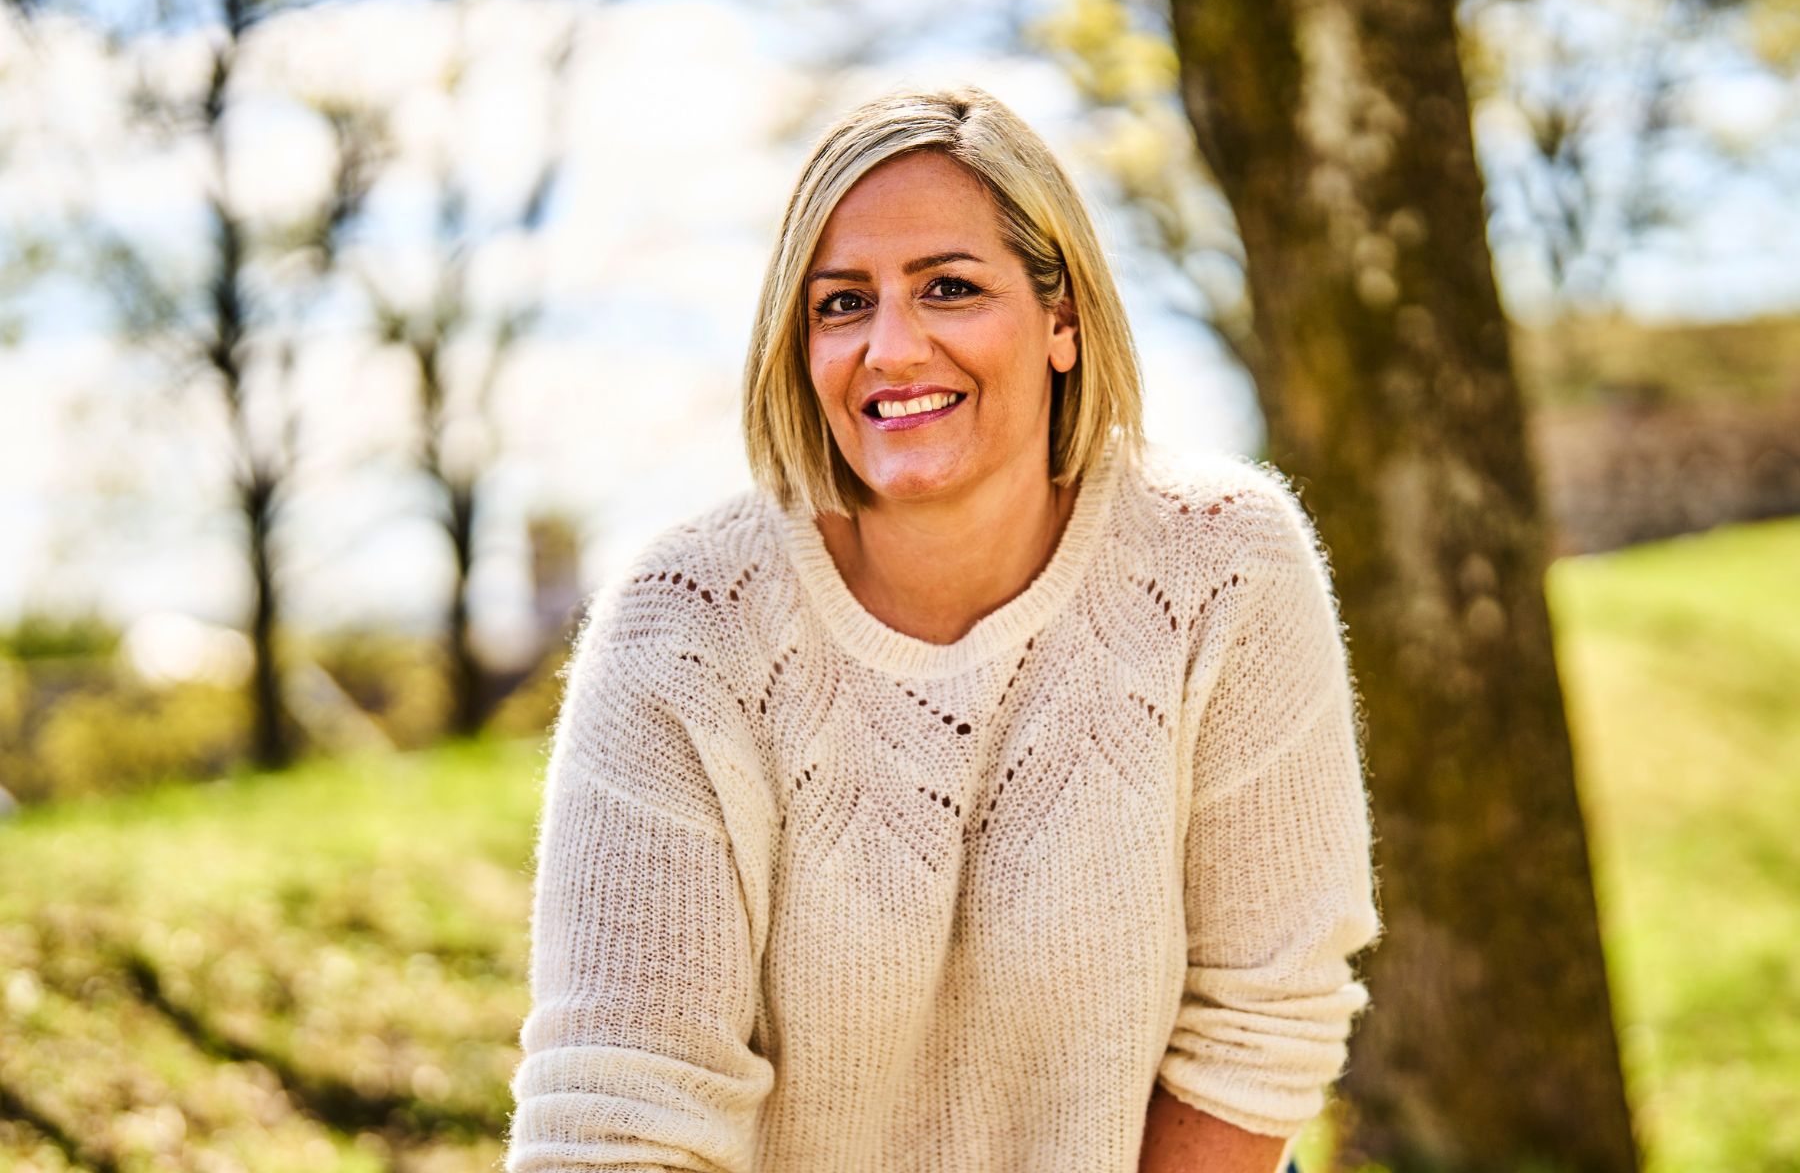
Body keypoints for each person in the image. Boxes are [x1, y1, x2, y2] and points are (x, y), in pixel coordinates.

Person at [503, 83, 1381, 1173]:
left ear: (1062, 322)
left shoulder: (1221, 565)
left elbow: (1263, 1014)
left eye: (950, 288)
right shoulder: (683, 631)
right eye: (841, 303)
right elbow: (622, 1104)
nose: (893, 347)